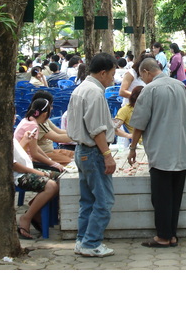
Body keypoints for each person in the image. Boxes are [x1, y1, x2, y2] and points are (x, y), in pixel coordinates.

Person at [129, 57, 186, 247]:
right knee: (175, 196)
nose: (143, 80)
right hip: (181, 150)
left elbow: (139, 124)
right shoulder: (180, 86)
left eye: (142, 76)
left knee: (161, 197)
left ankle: (163, 237)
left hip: (161, 152)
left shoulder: (150, 90)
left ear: (146, 72)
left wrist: (132, 148)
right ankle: (172, 234)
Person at [66, 52, 117, 258]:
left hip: (81, 150)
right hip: (93, 152)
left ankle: (82, 240)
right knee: (104, 201)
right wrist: (107, 154)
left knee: (87, 200)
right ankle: (91, 242)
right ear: (103, 73)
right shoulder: (94, 93)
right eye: (112, 74)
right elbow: (96, 129)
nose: (114, 78)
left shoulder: (81, 89)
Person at [13, 130, 60, 239]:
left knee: (61, 178)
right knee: (51, 186)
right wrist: (37, 172)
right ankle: (27, 217)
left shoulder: (9, 134)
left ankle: (35, 209)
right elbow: (14, 165)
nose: (14, 117)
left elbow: (17, 154)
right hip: (20, 175)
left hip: (28, 169)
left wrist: (25, 141)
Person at [14, 98, 67, 172]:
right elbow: (34, 154)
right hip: (25, 162)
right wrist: (54, 164)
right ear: (45, 114)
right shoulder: (33, 125)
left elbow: (35, 146)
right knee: (57, 173)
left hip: (26, 159)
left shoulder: (28, 120)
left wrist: (49, 159)